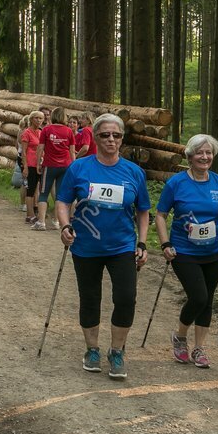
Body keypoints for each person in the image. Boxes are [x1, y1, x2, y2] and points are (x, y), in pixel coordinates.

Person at [56, 114, 151, 380]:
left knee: (126, 298)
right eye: (105, 135)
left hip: (122, 246)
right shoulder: (79, 168)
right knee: (90, 298)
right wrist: (65, 226)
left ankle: (117, 351)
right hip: (86, 246)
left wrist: (142, 242)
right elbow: (63, 202)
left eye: (116, 135)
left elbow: (143, 210)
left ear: (122, 139)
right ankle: (92, 350)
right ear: (95, 137)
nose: (111, 140)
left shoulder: (134, 172)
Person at [155, 134, 218, 368]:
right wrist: (165, 244)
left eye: (208, 153)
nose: (204, 157)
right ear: (189, 156)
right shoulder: (176, 183)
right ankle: (180, 337)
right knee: (199, 297)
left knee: (208, 301)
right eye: (199, 152)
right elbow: (161, 215)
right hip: (183, 251)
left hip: (213, 251)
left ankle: (199, 348)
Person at [33, 107, 75, 231]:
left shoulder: (46, 129)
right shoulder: (69, 131)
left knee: (44, 193)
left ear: (53, 116)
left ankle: (41, 222)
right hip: (65, 166)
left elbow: (40, 148)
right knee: (59, 195)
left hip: (49, 165)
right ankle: (56, 221)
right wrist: (73, 166)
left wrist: (38, 164)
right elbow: (72, 151)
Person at [21, 111, 44, 224]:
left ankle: (34, 214)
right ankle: (30, 215)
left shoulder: (41, 132)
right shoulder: (27, 132)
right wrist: (25, 167)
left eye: (41, 118)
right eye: (36, 118)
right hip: (30, 164)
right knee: (30, 189)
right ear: (31, 119)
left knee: (38, 189)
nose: (39, 120)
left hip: (40, 164)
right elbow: (23, 151)